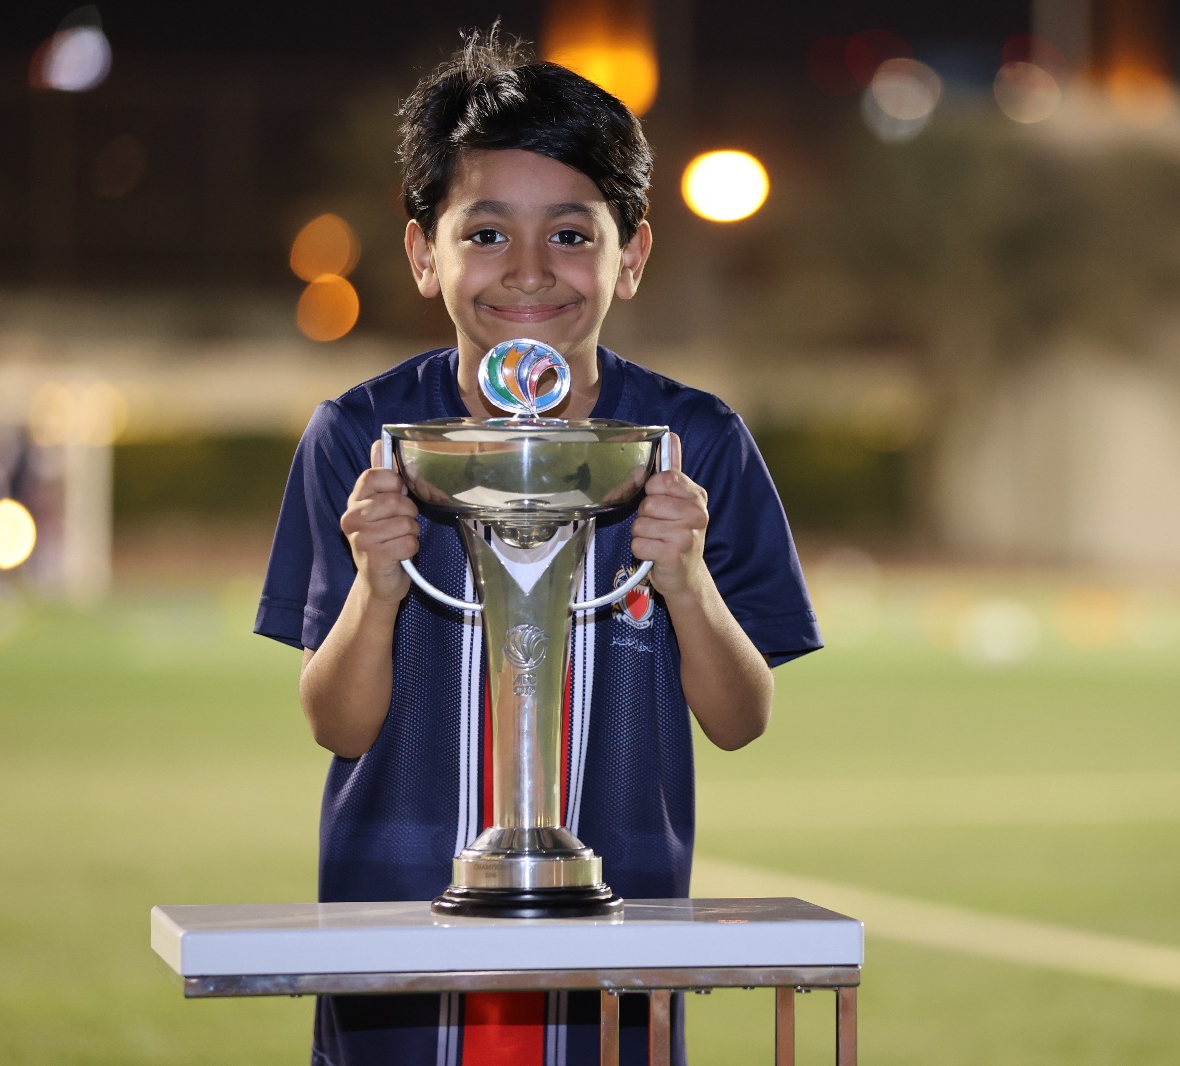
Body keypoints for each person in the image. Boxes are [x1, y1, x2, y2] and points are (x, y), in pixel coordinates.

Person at [255, 27, 822, 1066]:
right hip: (399, 953)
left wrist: (685, 582)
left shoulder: (692, 441)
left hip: (616, 952)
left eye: (569, 234)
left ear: (630, 255)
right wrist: (375, 588)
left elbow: (740, 720)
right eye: (484, 234)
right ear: (423, 252)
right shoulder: (360, 435)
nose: (527, 271)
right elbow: (337, 723)